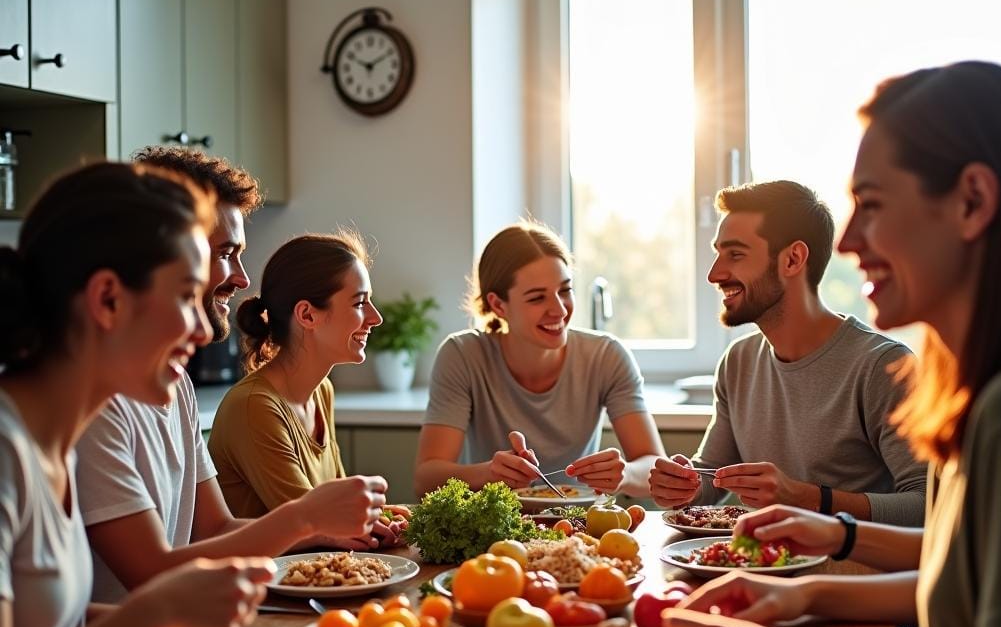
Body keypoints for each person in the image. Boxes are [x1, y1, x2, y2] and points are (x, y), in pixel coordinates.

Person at [666, 61, 1001, 627]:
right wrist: (808, 592)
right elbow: (952, 581)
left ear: (972, 202)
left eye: (872, 207)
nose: (851, 242)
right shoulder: (978, 393)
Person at [0, 160, 278, 627]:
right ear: (107, 299)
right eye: (185, 296)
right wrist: (154, 614)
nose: (203, 329)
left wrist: (174, 618)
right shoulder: (6, 453)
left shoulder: (53, 442)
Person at [75, 148, 386, 601]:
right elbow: (150, 573)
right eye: (225, 253)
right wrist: (306, 520)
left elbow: (214, 529)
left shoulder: (176, 382)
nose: (242, 279)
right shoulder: (95, 404)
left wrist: (322, 533)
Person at [649, 180, 927, 563]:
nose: (714, 274)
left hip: (860, 593)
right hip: (766, 575)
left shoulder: (883, 367)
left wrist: (812, 499)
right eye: (717, 254)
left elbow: (928, 505)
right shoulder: (738, 362)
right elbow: (710, 479)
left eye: (735, 254)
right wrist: (684, 484)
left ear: (793, 260)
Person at [415, 220, 664, 498]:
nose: (558, 310)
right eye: (537, 298)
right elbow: (426, 479)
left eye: (565, 290)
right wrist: (489, 473)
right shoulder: (462, 355)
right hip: (496, 530)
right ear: (498, 305)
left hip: (579, 525)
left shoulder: (607, 356)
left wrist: (625, 474)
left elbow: (654, 466)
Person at [209, 231, 403, 548]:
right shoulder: (255, 407)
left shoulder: (321, 391)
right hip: (266, 591)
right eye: (359, 303)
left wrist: (381, 517)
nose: (375, 317)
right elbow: (321, 527)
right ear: (307, 314)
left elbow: (342, 511)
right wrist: (369, 525)